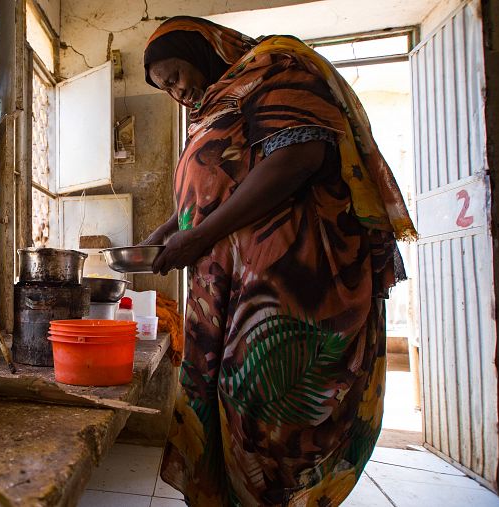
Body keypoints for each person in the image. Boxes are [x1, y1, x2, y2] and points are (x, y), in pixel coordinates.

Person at [141, 16, 416, 506]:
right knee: (231, 400)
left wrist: (200, 233)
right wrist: (172, 226)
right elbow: (223, 179)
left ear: (201, 48)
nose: (176, 90)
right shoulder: (217, 102)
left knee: (268, 407)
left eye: (176, 75)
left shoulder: (276, 66)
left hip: (289, 282)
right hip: (237, 285)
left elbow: (297, 158)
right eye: (164, 87)